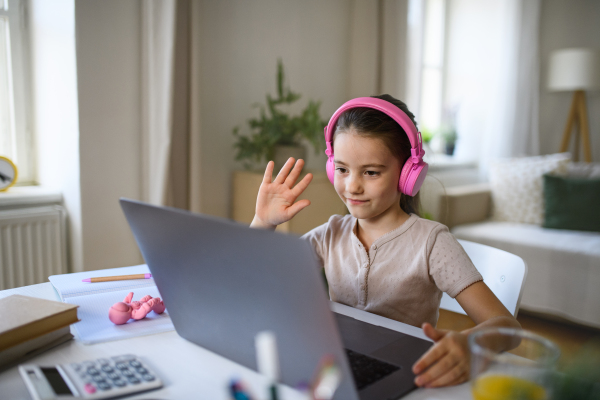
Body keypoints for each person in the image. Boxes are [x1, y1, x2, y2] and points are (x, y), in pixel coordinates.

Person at [250, 94, 521, 388]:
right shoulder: (330, 234)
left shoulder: (432, 243)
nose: (352, 185)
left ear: (408, 174)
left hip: (409, 374)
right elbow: (256, 277)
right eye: (341, 169)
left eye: (370, 172)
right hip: (337, 368)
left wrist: (468, 344)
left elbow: (508, 328)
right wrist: (263, 222)